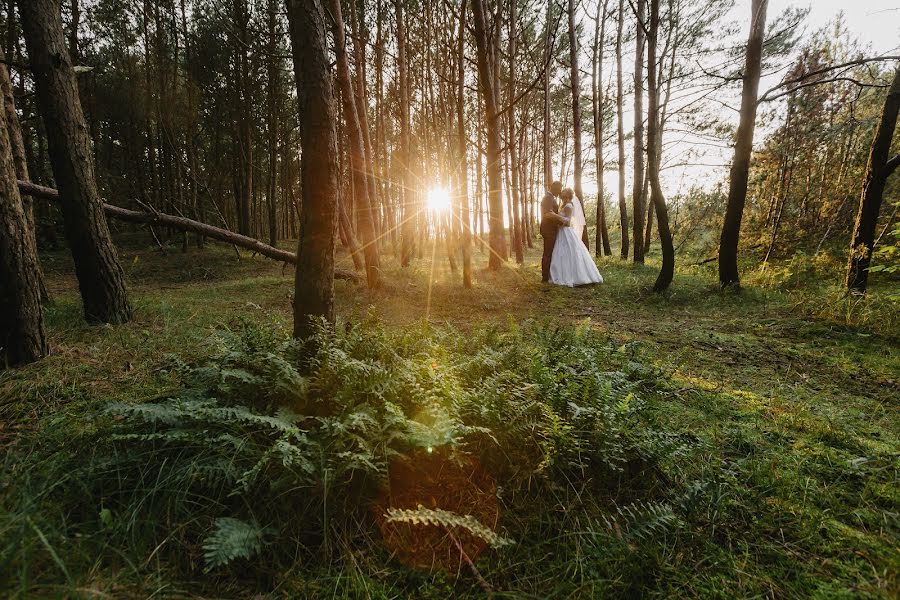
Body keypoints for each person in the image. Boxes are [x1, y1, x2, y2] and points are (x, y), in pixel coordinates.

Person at [549, 188, 604, 287]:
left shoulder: (569, 205)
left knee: (569, 252)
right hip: (561, 232)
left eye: (564, 193)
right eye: (562, 194)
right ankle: (561, 273)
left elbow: (568, 222)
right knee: (561, 253)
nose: (562, 194)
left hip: (566, 232)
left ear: (568, 195)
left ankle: (577, 276)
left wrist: (556, 217)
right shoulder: (564, 204)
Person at [540, 181, 566, 283]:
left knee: (550, 252)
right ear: (555, 188)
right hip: (548, 229)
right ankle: (545, 278)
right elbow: (547, 214)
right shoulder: (548, 198)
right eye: (559, 190)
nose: (559, 192)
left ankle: (549, 275)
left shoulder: (550, 198)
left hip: (551, 229)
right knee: (548, 253)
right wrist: (561, 219)